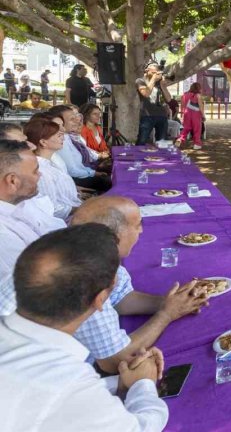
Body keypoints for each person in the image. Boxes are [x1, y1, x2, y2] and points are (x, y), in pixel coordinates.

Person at [0, 224, 169, 431]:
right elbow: (140, 427)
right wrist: (143, 384)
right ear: (100, 300)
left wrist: (118, 383)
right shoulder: (68, 382)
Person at [0, 139, 67, 277]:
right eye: (35, 171)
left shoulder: (18, 205)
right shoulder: (4, 236)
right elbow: (39, 282)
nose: (40, 175)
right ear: (13, 181)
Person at [25, 118, 81, 220]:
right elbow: (53, 209)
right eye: (59, 136)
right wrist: (82, 208)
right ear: (43, 142)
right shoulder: (40, 170)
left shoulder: (50, 162)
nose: (63, 139)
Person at [47, 104, 112, 192]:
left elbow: (82, 161)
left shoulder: (68, 137)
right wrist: (95, 173)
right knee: (111, 181)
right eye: (72, 119)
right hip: (76, 179)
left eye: (77, 117)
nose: (77, 121)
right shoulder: (62, 140)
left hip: (84, 172)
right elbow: (73, 171)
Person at [135, 63, 171, 146]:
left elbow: (168, 99)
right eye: (154, 72)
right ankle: (138, 157)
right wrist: (154, 80)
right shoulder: (140, 81)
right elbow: (146, 94)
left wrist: (163, 86)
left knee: (162, 142)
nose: (156, 74)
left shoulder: (160, 83)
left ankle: (162, 158)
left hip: (162, 115)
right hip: (147, 116)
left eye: (157, 72)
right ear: (147, 71)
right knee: (142, 140)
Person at [176, 82, 205, 150]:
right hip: (196, 114)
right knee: (197, 129)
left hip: (186, 113)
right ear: (198, 88)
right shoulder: (198, 95)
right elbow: (201, 106)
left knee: (186, 128)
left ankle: (180, 139)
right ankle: (196, 144)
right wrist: (203, 115)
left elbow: (182, 106)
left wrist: (183, 113)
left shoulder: (184, 95)